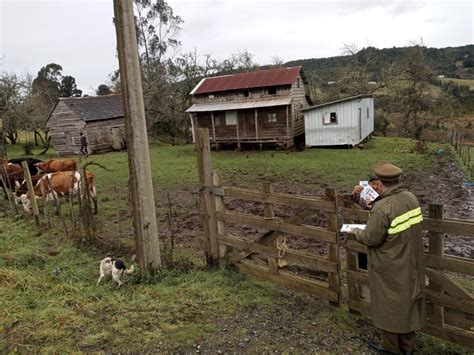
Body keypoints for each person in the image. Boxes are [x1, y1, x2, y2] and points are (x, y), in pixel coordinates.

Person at [349, 162, 425, 354]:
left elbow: (371, 238)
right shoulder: (410, 198)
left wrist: (354, 230)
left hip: (390, 264)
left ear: (380, 184)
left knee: (389, 305)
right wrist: (359, 199)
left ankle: (391, 349)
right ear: (398, 180)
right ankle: (408, 347)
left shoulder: (383, 207)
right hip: (411, 260)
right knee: (408, 303)